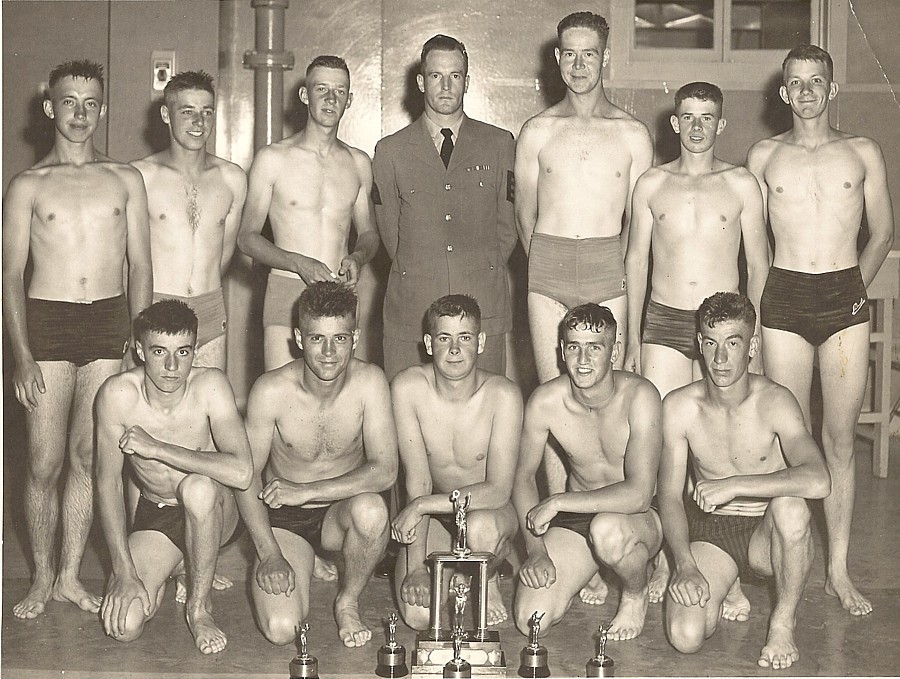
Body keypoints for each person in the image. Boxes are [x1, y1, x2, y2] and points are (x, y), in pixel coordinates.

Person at [2, 59, 152, 619]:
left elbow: (142, 264)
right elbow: (9, 274)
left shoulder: (124, 179)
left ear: (103, 108)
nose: (80, 113)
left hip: (109, 321)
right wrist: (20, 355)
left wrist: (140, 339)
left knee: (89, 455)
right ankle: (41, 575)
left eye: (91, 103)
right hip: (47, 322)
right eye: (69, 102)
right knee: (43, 461)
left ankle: (68, 575)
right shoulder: (27, 186)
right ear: (50, 108)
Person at [747, 45, 894, 616]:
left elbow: (882, 232)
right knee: (791, 437)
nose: (806, 91)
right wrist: (756, 315)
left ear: (833, 90)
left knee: (838, 438)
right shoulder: (763, 155)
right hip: (783, 294)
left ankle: (837, 569)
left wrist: (855, 289)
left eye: (817, 82)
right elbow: (753, 246)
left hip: (843, 294)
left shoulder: (862, 153)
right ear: (782, 93)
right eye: (796, 83)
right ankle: (790, 556)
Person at [659, 292, 831, 669]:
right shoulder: (678, 407)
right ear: (699, 344)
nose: (720, 358)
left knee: (792, 506)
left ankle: (783, 622)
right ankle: (729, 586)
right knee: (686, 637)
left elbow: (819, 480)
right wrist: (684, 564)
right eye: (711, 343)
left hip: (765, 536)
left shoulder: (775, 400)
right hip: (709, 533)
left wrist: (735, 483)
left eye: (732, 343)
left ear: (751, 345)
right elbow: (669, 497)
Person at [235, 281, 397, 647]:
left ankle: (348, 599)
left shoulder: (370, 382)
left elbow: (386, 470)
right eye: (316, 338)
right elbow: (245, 480)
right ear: (297, 337)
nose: (328, 352)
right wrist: (269, 554)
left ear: (354, 337)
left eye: (339, 338)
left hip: (339, 515)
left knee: (372, 511)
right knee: (281, 629)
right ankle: (300, 558)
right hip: (283, 521)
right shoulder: (271, 390)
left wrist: (306, 491)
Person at [95, 300, 252, 654]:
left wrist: (158, 448)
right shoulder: (117, 396)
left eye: (182, 352)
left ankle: (199, 607)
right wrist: (123, 571)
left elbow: (242, 472)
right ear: (139, 350)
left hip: (216, 510)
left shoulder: (210, 385)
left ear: (195, 350)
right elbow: (106, 483)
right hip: (159, 512)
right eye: (158, 351)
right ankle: (181, 565)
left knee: (196, 486)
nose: (171, 366)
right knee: (125, 626)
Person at [516, 12, 653, 384]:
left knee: (609, 391)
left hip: (607, 268)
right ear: (557, 58)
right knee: (551, 395)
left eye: (589, 55)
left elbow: (638, 224)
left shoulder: (633, 134)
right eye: (570, 54)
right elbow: (523, 216)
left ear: (605, 58)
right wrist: (547, 265)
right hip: (547, 268)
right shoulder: (536, 131)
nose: (578, 65)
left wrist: (614, 267)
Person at [513, 304, 663, 641]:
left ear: (615, 351)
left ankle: (634, 593)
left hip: (636, 517)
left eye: (595, 347)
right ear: (561, 350)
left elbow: (639, 493)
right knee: (530, 618)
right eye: (573, 346)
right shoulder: (545, 401)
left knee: (608, 531)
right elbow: (522, 477)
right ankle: (591, 568)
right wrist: (536, 552)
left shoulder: (640, 396)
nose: (583, 358)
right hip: (579, 518)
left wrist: (557, 502)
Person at [373, 34, 517, 381]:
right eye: (436, 75)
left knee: (484, 409)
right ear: (421, 81)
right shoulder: (391, 151)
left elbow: (507, 227)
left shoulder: (499, 144)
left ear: (467, 81)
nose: (446, 85)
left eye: (455, 75)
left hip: (482, 300)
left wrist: (475, 267)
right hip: (414, 302)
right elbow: (391, 233)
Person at [625, 81, 769, 398]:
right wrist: (633, 338)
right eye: (688, 117)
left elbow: (759, 266)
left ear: (720, 124)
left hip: (725, 322)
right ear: (675, 123)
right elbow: (635, 262)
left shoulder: (741, 183)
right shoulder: (651, 183)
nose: (697, 126)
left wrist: (753, 336)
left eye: (706, 117)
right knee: (661, 426)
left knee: (718, 434)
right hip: (664, 317)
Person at [237, 55, 380, 370]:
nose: (331, 99)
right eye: (322, 89)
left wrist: (357, 258)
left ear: (350, 99)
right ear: (305, 95)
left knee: (336, 402)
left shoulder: (358, 163)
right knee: (280, 395)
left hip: (338, 290)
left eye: (339, 91)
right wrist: (296, 262)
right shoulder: (273, 159)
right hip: (287, 286)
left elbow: (369, 233)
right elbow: (246, 238)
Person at [390, 295, 522, 630]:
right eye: (443, 338)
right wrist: (416, 564)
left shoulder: (502, 395)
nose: (454, 350)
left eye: (464, 338)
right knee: (419, 617)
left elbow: (498, 491)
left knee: (480, 528)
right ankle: (457, 574)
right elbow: (417, 480)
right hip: (437, 517)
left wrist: (419, 507)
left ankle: (486, 578)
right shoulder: (408, 387)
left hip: (488, 512)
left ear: (480, 342)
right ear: (428, 343)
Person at [133, 70, 247, 370]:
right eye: (187, 112)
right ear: (165, 114)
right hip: (155, 307)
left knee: (207, 409)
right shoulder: (141, 176)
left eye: (206, 112)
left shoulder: (232, 178)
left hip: (210, 308)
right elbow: (127, 260)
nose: (199, 122)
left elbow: (225, 253)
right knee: (152, 413)